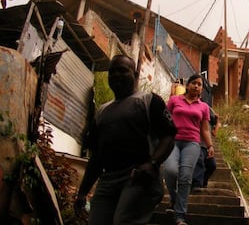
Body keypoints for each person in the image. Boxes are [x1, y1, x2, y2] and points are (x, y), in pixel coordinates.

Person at [73, 55, 177, 225]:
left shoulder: (149, 101)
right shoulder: (102, 112)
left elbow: (169, 136)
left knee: (124, 220)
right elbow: (97, 156)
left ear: (135, 75)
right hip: (108, 180)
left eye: (122, 70)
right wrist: (83, 192)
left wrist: (152, 164)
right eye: (112, 72)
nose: (116, 75)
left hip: (137, 177)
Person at [163, 74, 215, 225]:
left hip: (192, 144)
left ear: (201, 90)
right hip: (173, 141)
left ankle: (180, 215)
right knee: (170, 171)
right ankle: (173, 198)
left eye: (200, 85)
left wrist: (210, 146)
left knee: (186, 177)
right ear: (187, 85)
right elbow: (165, 119)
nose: (197, 86)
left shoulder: (204, 107)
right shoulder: (174, 100)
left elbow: (204, 129)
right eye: (194, 83)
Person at [192, 106, 220, 190]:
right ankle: (196, 184)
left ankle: (203, 182)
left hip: (206, 146)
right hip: (196, 143)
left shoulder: (210, 122)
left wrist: (217, 122)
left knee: (212, 165)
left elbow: (214, 133)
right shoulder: (195, 114)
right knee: (199, 160)